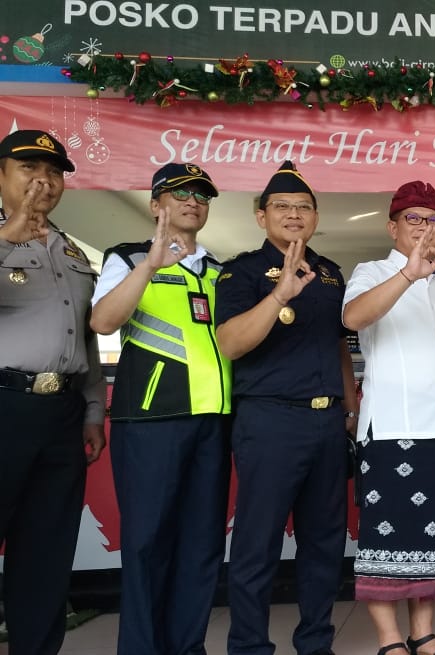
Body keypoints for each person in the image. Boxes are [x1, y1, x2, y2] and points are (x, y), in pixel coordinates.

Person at [214, 161, 358, 655]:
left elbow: (338, 346)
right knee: (258, 544)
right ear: (261, 216)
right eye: (282, 207)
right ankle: (250, 646)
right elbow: (231, 343)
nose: (293, 215)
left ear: (315, 216)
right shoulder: (241, 271)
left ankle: (315, 641)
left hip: (327, 423)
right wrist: (279, 294)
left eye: (303, 207)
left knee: (324, 543)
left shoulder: (331, 274)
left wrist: (350, 407)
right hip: (270, 420)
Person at [90, 163, 231, 655]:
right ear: (156, 205)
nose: (193, 201)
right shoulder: (127, 258)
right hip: (151, 421)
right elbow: (103, 321)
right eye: (180, 193)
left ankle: (187, 646)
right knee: (148, 545)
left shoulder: (220, 270)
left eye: (202, 195)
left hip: (214, 423)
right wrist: (152, 265)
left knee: (202, 547)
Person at [342, 181, 435, 655]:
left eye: (432, 219)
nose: (423, 228)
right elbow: (353, 318)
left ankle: (424, 633)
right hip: (394, 427)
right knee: (387, 534)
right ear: (392, 226)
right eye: (413, 219)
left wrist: (426, 277)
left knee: (432, 537)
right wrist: (407, 276)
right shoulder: (372, 270)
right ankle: (390, 639)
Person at [0, 130, 106, 655]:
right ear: (1, 176)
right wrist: (7, 237)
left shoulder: (71, 251)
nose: (43, 180)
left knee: (45, 551)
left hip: (62, 412)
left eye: (54, 171)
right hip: (3, 405)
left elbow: (84, 334)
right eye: (28, 168)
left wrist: (91, 408)